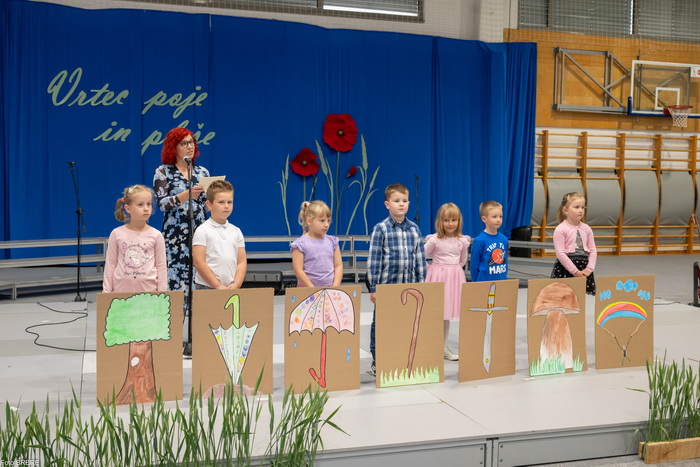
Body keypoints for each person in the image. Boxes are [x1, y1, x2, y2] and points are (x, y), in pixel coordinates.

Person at [366, 183, 427, 376]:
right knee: (382, 324)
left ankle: (400, 357)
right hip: (387, 287)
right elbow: (374, 260)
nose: (401, 204)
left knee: (405, 323)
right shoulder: (381, 229)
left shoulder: (414, 229)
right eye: (396, 201)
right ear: (387, 204)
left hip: (409, 287)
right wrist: (374, 288)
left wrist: (422, 284)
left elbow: (420, 258)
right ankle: (378, 359)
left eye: (404, 201)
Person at [153, 127, 210, 294]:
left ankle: (197, 308)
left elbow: (205, 205)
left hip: (199, 230)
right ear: (173, 147)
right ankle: (177, 309)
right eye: (184, 143)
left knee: (199, 274)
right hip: (175, 233)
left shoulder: (202, 172)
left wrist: (213, 200)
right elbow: (162, 204)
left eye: (191, 142)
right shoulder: (163, 172)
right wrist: (186, 195)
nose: (190, 146)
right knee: (175, 278)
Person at [425, 203, 471, 361]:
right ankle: (430, 345)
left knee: (447, 314)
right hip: (437, 278)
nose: (450, 223)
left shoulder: (462, 241)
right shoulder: (435, 240)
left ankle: (442, 347)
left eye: (454, 220)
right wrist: (432, 269)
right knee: (436, 313)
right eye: (446, 220)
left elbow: (463, 260)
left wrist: (453, 270)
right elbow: (420, 256)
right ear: (440, 221)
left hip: (454, 279)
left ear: (459, 221)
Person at [103, 185, 167, 293]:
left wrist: (162, 294)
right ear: (128, 208)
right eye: (140, 205)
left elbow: (161, 267)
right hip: (121, 292)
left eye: (149, 204)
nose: (146, 208)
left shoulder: (156, 235)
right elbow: (110, 265)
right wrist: (106, 292)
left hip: (149, 293)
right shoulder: (116, 233)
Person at [192, 180, 247, 289]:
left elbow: (241, 262)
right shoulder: (202, 230)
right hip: (207, 287)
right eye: (221, 202)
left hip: (230, 287)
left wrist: (236, 284)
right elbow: (199, 262)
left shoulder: (236, 231)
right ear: (209, 205)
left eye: (229, 202)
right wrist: (217, 285)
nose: (226, 206)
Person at [551, 192, 597, 295]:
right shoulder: (561, 229)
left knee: (580, 297)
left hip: (584, 268)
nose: (581, 210)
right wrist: (574, 271)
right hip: (567, 268)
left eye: (582, 207)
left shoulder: (587, 228)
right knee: (564, 297)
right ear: (565, 210)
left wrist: (589, 269)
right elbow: (560, 253)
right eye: (576, 207)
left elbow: (593, 250)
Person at [291, 201, 343, 287]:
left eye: (328, 220)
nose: (326, 224)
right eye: (322, 220)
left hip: (330, 289)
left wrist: (335, 287)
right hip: (306, 290)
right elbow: (298, 271)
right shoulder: (300, 244)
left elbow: (338, 266)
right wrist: (313, 290)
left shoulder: (333, 241)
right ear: (309, 221)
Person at [470, 200, 508, 282]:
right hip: (484, 282)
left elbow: (505, 261)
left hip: (501, 281)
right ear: (484, 219)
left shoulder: (504, 239)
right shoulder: (479, 240)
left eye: (500, 216)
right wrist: (475, 283)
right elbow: (474, 265)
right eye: (494, 217)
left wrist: (504, 278)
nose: (498, 220)